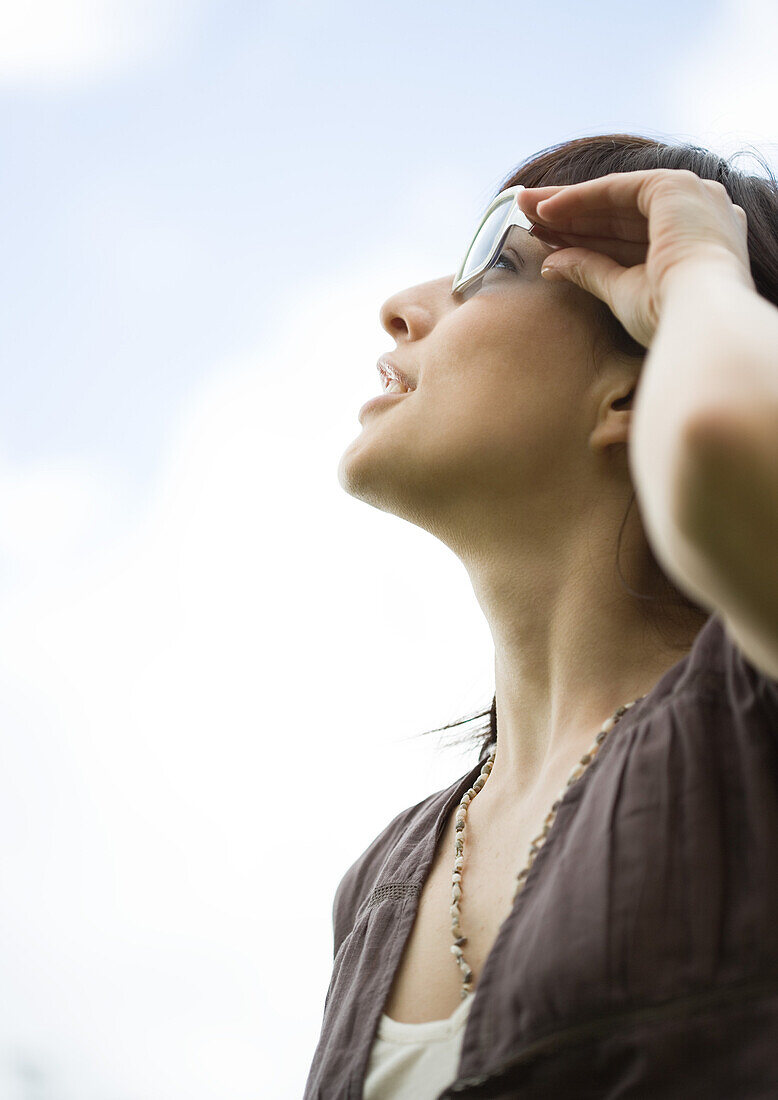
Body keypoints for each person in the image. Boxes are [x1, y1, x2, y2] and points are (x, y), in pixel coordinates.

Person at [303, 133, 778, 1099]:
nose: (404, 306)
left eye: (496, 266)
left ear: (638, 387)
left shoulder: (753, 712)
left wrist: (699, 265)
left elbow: (732, 439)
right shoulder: (379, 883)